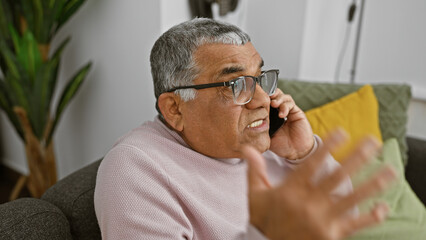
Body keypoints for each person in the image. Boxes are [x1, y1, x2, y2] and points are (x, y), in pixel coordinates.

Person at [94, 18, 396, 240]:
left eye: (260, 77)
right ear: (175, 109)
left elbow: (339, 224)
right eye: (236, 84)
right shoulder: (135, 169)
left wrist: (304, 155)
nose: (264, 100)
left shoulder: (269, 145)